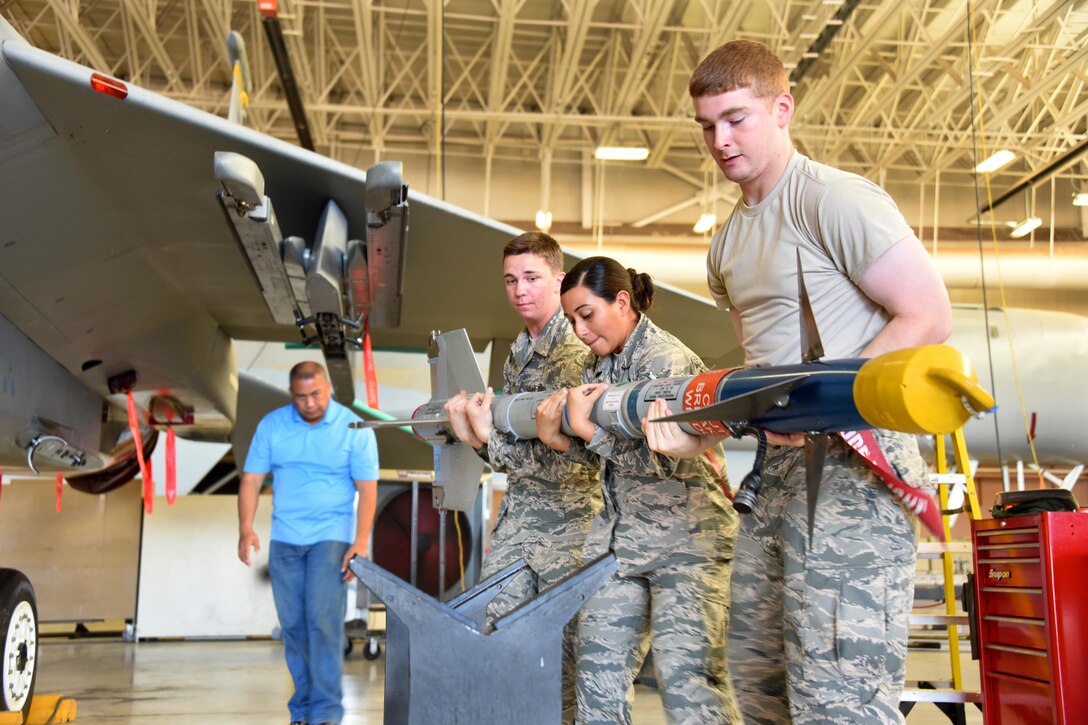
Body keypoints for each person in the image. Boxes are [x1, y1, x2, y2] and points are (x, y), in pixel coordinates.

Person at [645, 39, 953, 723]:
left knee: (839, 699)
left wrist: (819, 401)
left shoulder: (833, 200)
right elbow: (762, 365)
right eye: (706, 126)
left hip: (854, 470)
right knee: (761, 686)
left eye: (736, 118)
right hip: (777, 478)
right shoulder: (725, 243)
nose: (719, 141)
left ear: (782, 107)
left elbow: (929, 315)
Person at [534, 255, 740, 725]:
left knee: (689, 683)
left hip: (688, 545)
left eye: (586, 314)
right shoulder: (595, 365)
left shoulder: (667, 360)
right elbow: (603, 460)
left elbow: (663, 460)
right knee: (597, 680)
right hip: (619, 546)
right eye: (570, 320)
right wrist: (560, 438)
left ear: (622, 301)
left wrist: (588, 432)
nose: (580, 330)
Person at [443, 231, 601, 723]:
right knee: (499, 647)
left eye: (532, 278)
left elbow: (583, 459)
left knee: (565, 666)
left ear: (559, 279)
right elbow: (509, 456)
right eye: (510, 280)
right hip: (518, 531)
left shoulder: (580, 351)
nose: (519, 291)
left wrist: (488, 440)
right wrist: (477, 439)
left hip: (570, 535)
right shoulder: (519, 351)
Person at [237, 361, 379, 725]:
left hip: (330, 537)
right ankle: (301, 711)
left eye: (316, 394)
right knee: (295, 627)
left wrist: (360, 540)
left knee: (321, 622)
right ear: (292, 395)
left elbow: (367, 488)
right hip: (285, 539)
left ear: (328, 388)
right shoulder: (273, 425)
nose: (310, 403)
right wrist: (246, 528)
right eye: (301, 397)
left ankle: (327, 713)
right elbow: (252, 480)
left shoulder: (353, 427)